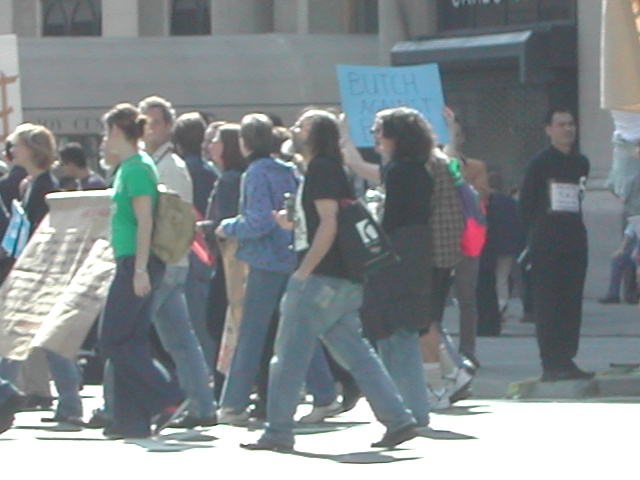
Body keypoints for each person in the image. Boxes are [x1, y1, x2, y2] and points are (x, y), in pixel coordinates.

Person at [241, 109, 418, 452]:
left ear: (315, 135)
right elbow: (324, 222)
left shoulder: (321, 168)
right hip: (344, 280)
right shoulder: (327, 169)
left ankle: (277, 431)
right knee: (357, 355)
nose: (294, 129)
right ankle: (398, 419)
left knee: (288, 358)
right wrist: (292, 225)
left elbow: (329, 223)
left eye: (301, 126)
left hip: (320, 279)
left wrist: (303, 271)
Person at [98, 103, 186, 439]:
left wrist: (138, 270)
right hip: (134, 259)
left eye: (107, 133)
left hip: (138, 260)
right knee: (129, 339)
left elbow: (145, 219)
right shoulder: (131, 166)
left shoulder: (136, 168)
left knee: (112, 340)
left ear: (118, 132)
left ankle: (167, 396)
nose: (104, 141)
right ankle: (129, 420)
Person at [137, 96, 216, 428]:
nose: (149, 129)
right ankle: (202, 405)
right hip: (173, 261)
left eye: (155, 122)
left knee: (126, 333)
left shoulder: (167, 166)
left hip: (163, 261)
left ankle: (117, 406)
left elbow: (162, 218)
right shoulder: (158, 162)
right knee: (182, 341)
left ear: (169, 127)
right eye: (145, 122)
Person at [0, 123, 85, 425]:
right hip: (36, 269)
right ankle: (70, 405)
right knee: (48, 340)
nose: (12, 150)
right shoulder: (34, 183)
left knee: (16, 337)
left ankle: (5, 397)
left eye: (17, 144)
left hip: (41, 271)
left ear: (32, 149)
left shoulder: (45, 185)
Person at [519, 107, 593, 382]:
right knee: (549, 302)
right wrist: (531, 239)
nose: (568, 129)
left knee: (571, 302)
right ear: (548, 129)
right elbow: (525, 204)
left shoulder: (581, 163)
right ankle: (551, 362)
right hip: (546, 243)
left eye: (571, 124)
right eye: (561, 124)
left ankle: (567, 358)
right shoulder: (539, 164)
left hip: (574, 241)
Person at [443, 107, 488, 368]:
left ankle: (467, 350)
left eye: (457, 133)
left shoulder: (474, 167)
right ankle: (438, 350)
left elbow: (481, 197)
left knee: (466, 297)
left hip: (466, 238)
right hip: (438, 237)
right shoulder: (426, 164)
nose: (453, 137)